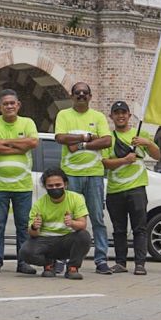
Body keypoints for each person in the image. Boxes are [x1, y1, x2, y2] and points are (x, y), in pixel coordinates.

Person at [54, 82, 113, 275]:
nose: (81, 95)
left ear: (90, 96)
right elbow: (60, 138)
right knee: (68, 219)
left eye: (85, 93)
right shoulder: (64, 115)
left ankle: (101, 259)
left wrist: (80, 145)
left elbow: (107, 140)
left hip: (94, 175)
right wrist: (89, 137)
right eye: (77, 93)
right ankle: (63, 259)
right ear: (71, 96)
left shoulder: (98, 116)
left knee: (97, 217)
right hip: (71, 175)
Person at [0, 89, 38, 275]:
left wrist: (4, 142)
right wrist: (19, 145)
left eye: (12, 103)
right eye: (5, 104)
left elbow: (33, 143)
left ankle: (24, 262)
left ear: (18, 105)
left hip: (23, 186)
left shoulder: (28, 122)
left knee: (23, 226)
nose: (9, 106)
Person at [102, 101, 161, 276]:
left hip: (137, 189)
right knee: (118, 229)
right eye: (116, 113)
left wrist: (147, 143)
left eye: (124, 113)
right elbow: (105, 163)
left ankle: (140, 264)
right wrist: (124, 160)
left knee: (139, 228)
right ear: (111, 116)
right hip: (115, 190)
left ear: (129, 115)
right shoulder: (109, 138)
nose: (120, 116)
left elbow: (157, 155)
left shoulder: (139, 134)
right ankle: (120, 262)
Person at [20, 167, 92, 280]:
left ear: (65, 184)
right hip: (45, 240)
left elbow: (82, 225)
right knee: (25, 252)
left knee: (84, 236)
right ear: (45, 187)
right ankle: (49, 264)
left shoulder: (76, 198)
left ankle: (72, 267)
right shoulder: (39, 204)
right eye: (50, 186)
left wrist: (72, 222)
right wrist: (34, 226)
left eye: (58, 185)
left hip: (66, 239)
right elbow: (32, 233)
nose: (55, 188)